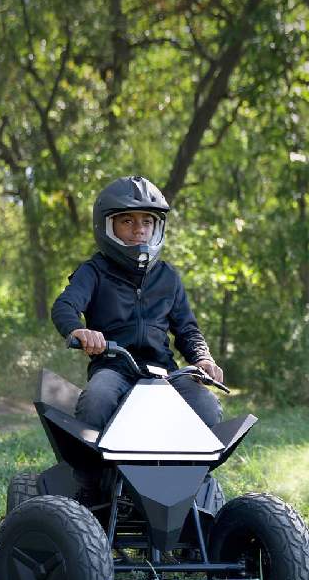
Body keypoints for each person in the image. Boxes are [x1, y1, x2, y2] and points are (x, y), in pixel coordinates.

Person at [51, 176, 225, 449]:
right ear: (107, 226)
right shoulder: (94, 271)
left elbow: (187, 329)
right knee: (96, 400)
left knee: (207, 407)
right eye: (127, 221)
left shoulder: (168, 277)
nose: (139, 229)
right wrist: (77, 330)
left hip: (164, 373)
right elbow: (65, 305)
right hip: (114, 367)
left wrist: (203, 359)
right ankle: (90, 482)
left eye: (147, 221)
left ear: (157, 226)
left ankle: (188, 483)